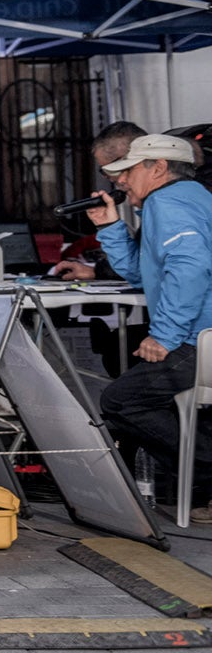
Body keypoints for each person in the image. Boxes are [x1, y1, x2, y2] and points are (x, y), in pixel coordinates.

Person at [90, 134, 212, 523]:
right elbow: (143, 274)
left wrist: (164, 335)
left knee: (121, 401)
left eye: (126, 171)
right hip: (199, 335)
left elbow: (191, 267)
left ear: (157, 168)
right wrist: (110, 227)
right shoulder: (190, 198)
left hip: (199, 338)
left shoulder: (168, 202)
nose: (119, 181)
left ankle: (204, 473)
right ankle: (198, 486)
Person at [51, 121, 146, 281]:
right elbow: (139, 269)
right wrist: (108, 226)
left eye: (107, 171)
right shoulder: (153, 207)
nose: (118, 182)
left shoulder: (169, 206)